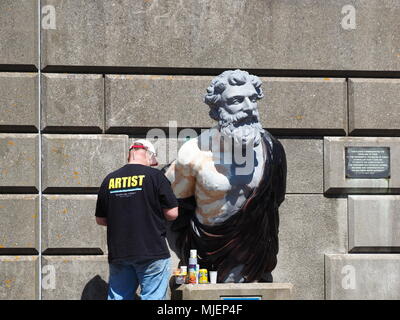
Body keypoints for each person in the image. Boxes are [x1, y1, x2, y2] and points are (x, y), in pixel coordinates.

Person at [165, 70, 286, 283]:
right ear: (217, 108)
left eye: (252, 98)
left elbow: (275, 200)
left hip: (255, 254)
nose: (248, 107)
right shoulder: (193, 151)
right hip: (207, 252)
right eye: (237, 100)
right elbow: (177, 210)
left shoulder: (273, 149)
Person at [95, 139, 179, 300]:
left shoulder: (109, 180)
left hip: (119, 252)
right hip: (151, 250)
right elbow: (172, 213)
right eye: (152, 160)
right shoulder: (156, 177)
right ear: (148, 154)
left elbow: (100, 219)